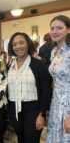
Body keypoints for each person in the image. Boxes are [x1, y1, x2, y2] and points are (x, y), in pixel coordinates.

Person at [7, 32, 52, 143]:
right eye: (15, 44)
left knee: (31, 140)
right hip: (14, 108)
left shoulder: (38, 65)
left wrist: (41, 114)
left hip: (33, 109)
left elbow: (46, 91)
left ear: (28, 44)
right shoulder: (10, 65)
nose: (18, 46)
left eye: (21, 43)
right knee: (21, 139)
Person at [46, 15, 70, 143]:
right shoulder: (54, 51)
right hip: (55, 102)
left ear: (68, 30)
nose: (54, 31)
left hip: (68, 105)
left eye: (59, 28)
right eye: (52, 28)